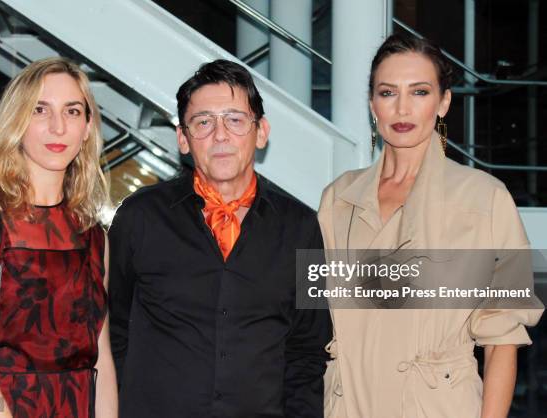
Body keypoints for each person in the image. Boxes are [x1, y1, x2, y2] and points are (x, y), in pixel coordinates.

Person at [318, 33, 543, 418]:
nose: (402, 108)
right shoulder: (338, 198)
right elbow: (314, 318)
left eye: (419, 92)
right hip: (346, 404)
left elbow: (502, 338)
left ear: (443, 103)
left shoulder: (485, 198)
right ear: (373, 105)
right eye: (388, 93)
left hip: (436, 407)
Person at [108, 59, 332, 418]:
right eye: (203, 122)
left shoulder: (301, 227)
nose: (220, 135)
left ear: (261, 132)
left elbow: (308, 349)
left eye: (235, 119)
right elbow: (112, 330)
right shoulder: (140, 217)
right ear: (183, 138)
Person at [0, 57, 117, 417]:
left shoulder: (93, 235)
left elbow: (99, 358)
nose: (58, 127)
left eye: (72, 111)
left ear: (87, 127)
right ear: (17, 122)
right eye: (40, 110)